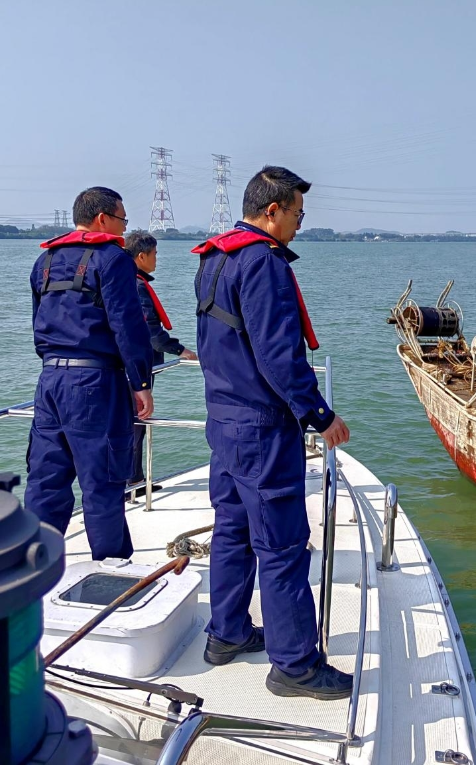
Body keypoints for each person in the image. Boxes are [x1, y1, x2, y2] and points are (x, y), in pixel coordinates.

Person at [194, 165, 352, 700]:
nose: (299, 225)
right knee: (282, 547)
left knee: (232, 531)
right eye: (298, 215)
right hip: (261, 429)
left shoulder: (215, 257)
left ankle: (227, 633)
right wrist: (321, 415)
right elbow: (280, 357)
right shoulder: (263, 262)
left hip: (224, 421)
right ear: (272, 211)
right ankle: (295, 666)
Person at [25, 187, 154, 560]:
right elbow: (128, 326)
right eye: (122, 219)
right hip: (95, 383)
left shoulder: (44, 261)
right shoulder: (113, 259)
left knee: (45, 482)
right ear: (103, 219)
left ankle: (32, 570)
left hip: (50, 381)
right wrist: (141, 383)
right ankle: (112, 573)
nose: (124, 228)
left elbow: (38, 323)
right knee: (103, 484)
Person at [124, 231, 197, 494]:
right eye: (154, 254)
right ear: (141, 256)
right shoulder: (137, 286)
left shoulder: (125, 281)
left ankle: (133, 479)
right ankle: (132, 481)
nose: (157, 258)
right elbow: (151, 333)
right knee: (137, 423)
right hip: (135, 369)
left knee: (132, 424)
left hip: (127, 366)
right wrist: (180, 350)